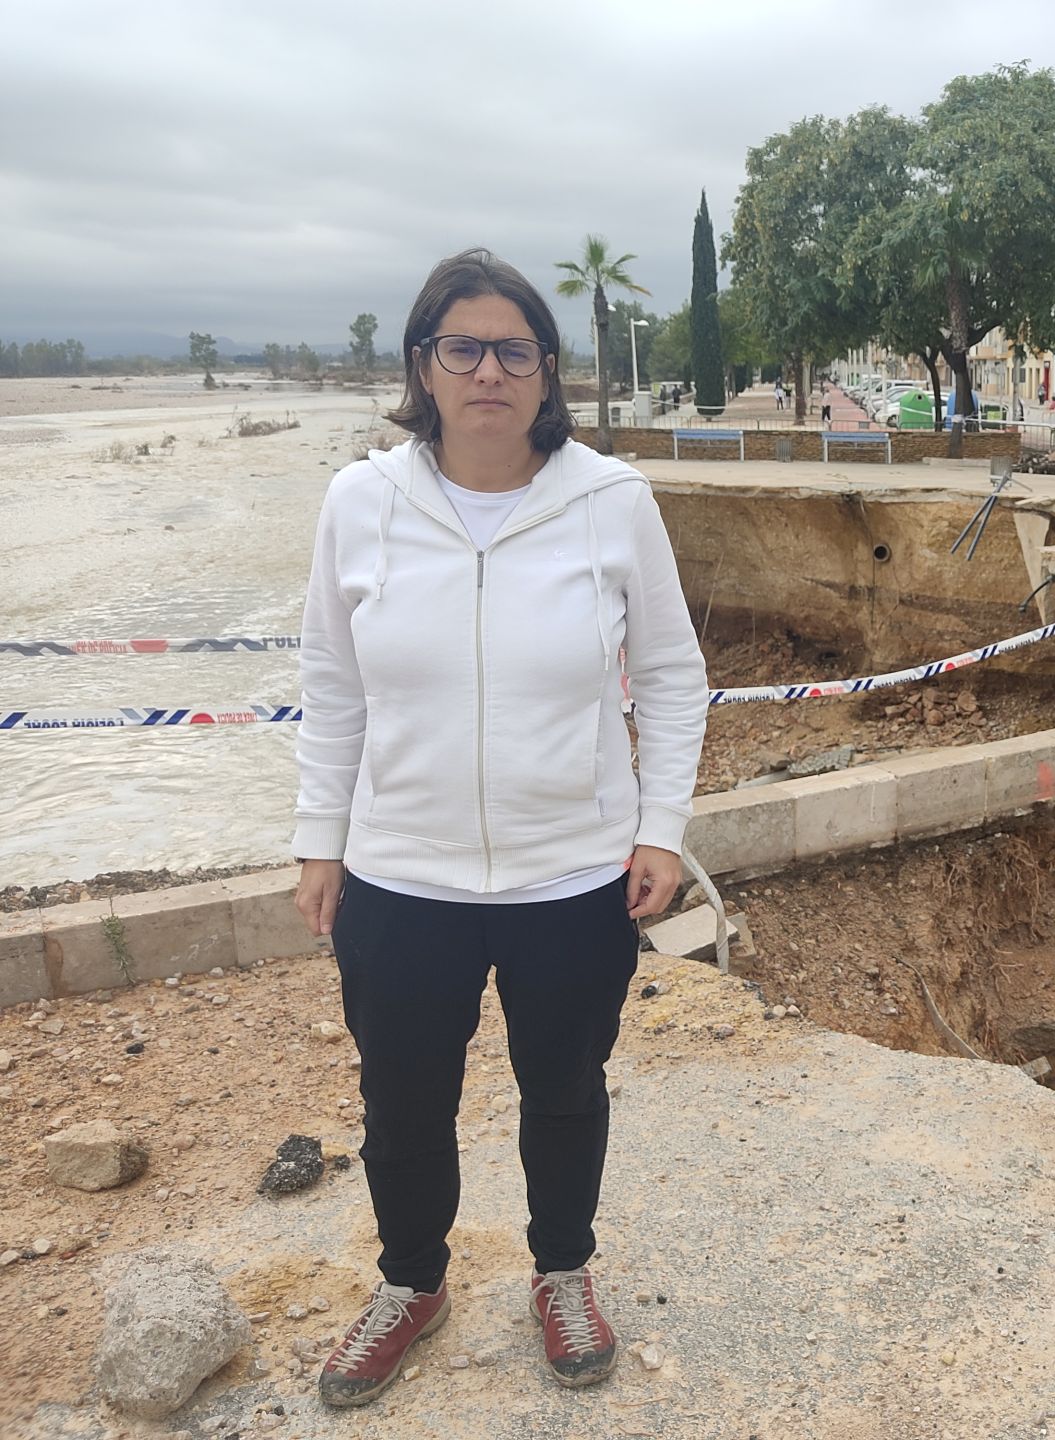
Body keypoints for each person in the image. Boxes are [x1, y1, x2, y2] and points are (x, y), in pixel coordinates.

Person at [292, 248, 707, 1407]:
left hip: (571, 876)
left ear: (545, 371)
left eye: (512, 349)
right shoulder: (360, 503)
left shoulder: (613, 501)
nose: (487, 370)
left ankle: (562, 1270)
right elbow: (333, 682)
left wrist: (659, 828)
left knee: (565, 1086)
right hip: (399, 874)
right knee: (403, 1097)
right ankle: (410, 1282)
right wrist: (320, 837)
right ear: (422, 365)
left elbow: (673, 675)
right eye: (461, 347)